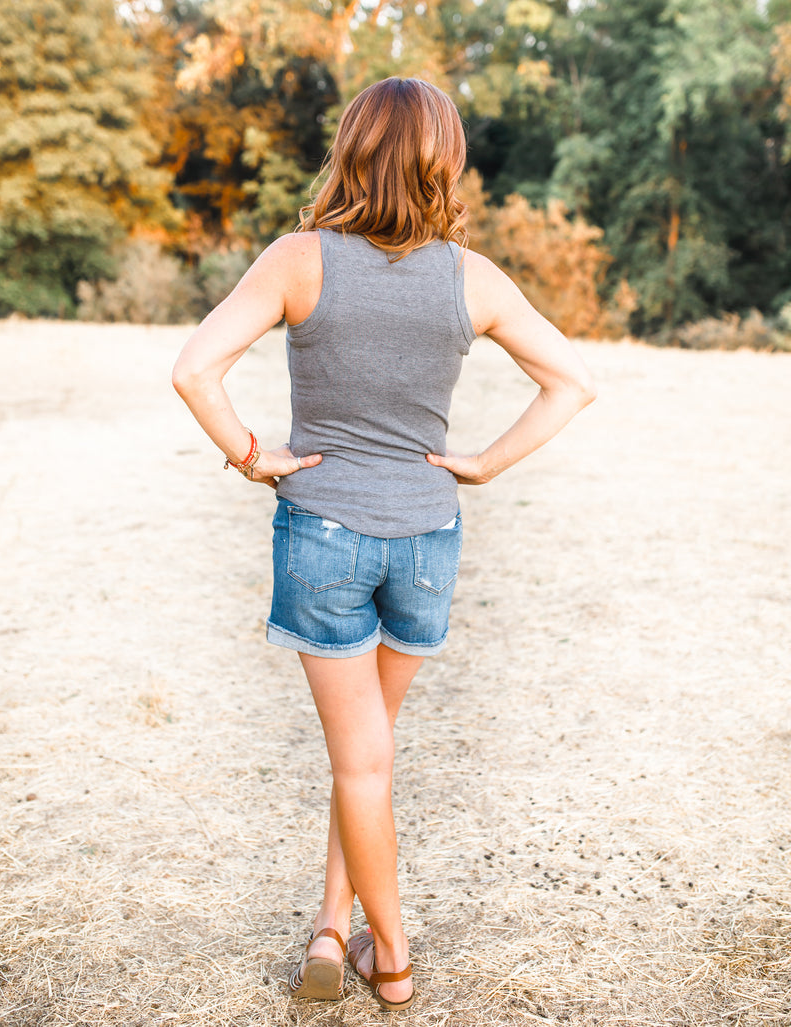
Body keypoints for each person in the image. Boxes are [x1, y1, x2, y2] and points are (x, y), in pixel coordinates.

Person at [172, 76, 596, 1012]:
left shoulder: (298, 259)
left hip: (323, 530)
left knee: (361, 756)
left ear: (351, 150)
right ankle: (332, 924)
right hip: (426, 540)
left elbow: (194, 367)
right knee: (367, 749)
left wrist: (253, 457)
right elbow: (572, 381)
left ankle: (391, 959)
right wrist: (482, 463)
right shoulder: (470, 277)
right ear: (445, 158)